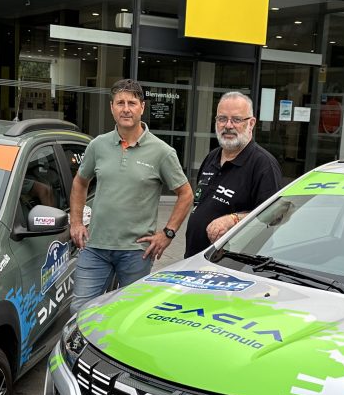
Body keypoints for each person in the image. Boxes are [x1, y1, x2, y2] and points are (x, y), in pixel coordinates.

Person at [69, 79, 193, 311]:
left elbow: (185, 194)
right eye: (120, 103)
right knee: (80, 310)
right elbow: (80, 182)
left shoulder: (162, 152)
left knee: (128, 313)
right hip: (95, 247)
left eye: (132, 103)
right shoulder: (98, 145)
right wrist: (75, 222)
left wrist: (167, 234)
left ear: (142, 107)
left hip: (136, 252)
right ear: (112, 107)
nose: (126, 108)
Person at [184, 91, 283, 257]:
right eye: (222, 118)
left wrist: (233, 219)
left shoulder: (263, 164)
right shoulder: (212, 157)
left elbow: (275, 215)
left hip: (234, 265)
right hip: (197, 258)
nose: (228, 125)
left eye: (236, 119)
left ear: (251, 123)